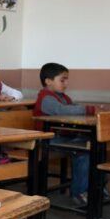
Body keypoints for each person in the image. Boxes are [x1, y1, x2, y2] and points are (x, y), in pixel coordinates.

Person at [33, 62, 97, 205]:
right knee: (82, 152)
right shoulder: (46, 97)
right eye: (62, 80)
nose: (66, 83)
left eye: (67, 79)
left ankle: (95, 188)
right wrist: (88, 109)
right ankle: (79, 192)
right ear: (48, 81)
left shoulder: (64, 97)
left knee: (95, 147)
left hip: (63, 137)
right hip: (47, 139)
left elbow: (71, 107)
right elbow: (61, 110)